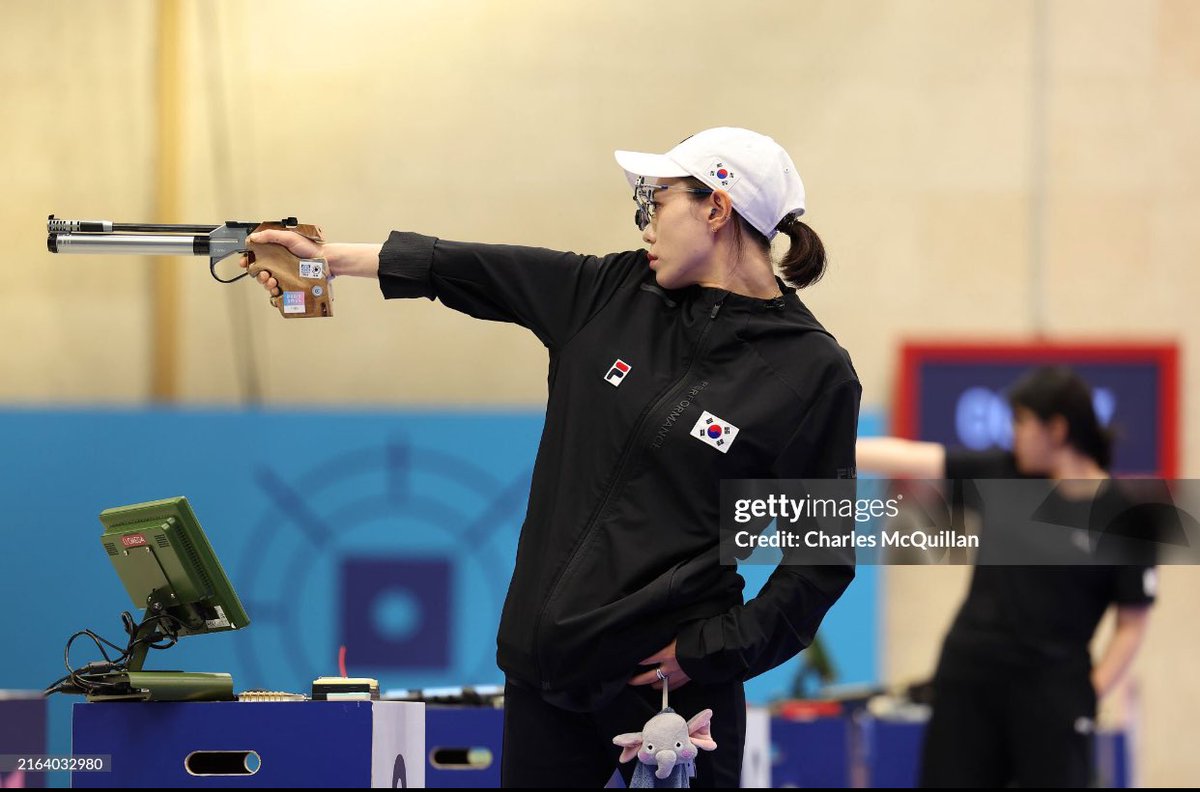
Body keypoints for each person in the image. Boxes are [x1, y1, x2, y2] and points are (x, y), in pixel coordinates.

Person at [244, 127, 860, 787]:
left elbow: (820, 562)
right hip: (545, 678)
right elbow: (467, 267)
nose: (646, 226)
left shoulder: (813, 372)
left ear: (716, 208)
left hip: (670, 696)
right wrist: (327, 259)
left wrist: (707, 654)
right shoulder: (612, 291)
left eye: (656, 203)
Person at [858, 366, 1156, 788]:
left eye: (1020, 422)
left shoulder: (1125, 519)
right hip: (970, 678)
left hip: (1053, 690)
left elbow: (1132, 624)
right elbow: (909, 457)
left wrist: (1088, 694)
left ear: (1057, 429)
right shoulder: (1005, 475)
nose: (1012, 434)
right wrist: (825, 445)